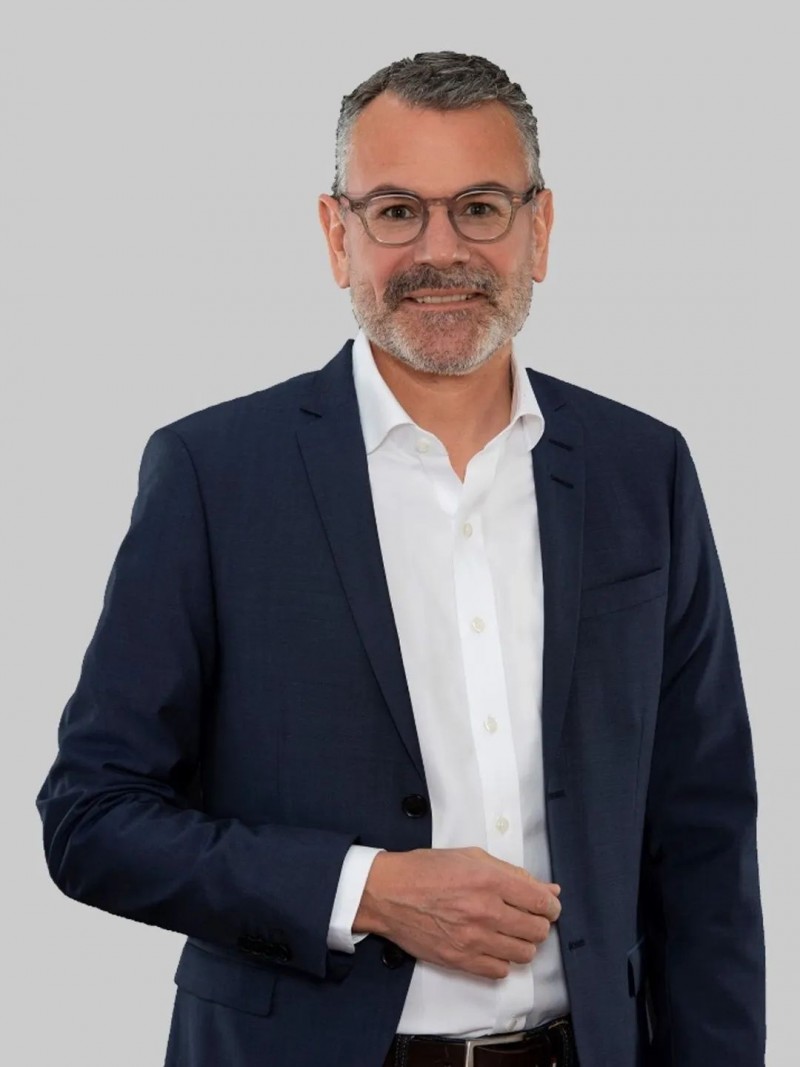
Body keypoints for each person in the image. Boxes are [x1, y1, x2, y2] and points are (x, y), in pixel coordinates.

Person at [36, 51, 765, 1067]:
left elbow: (704, 835)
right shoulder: (213, 473)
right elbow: (91, 817)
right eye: (395, 212)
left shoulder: (643, 468)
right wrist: (364, 890)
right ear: (337, 235)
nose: (440, 249)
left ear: (540, 228)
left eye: (480, 207)